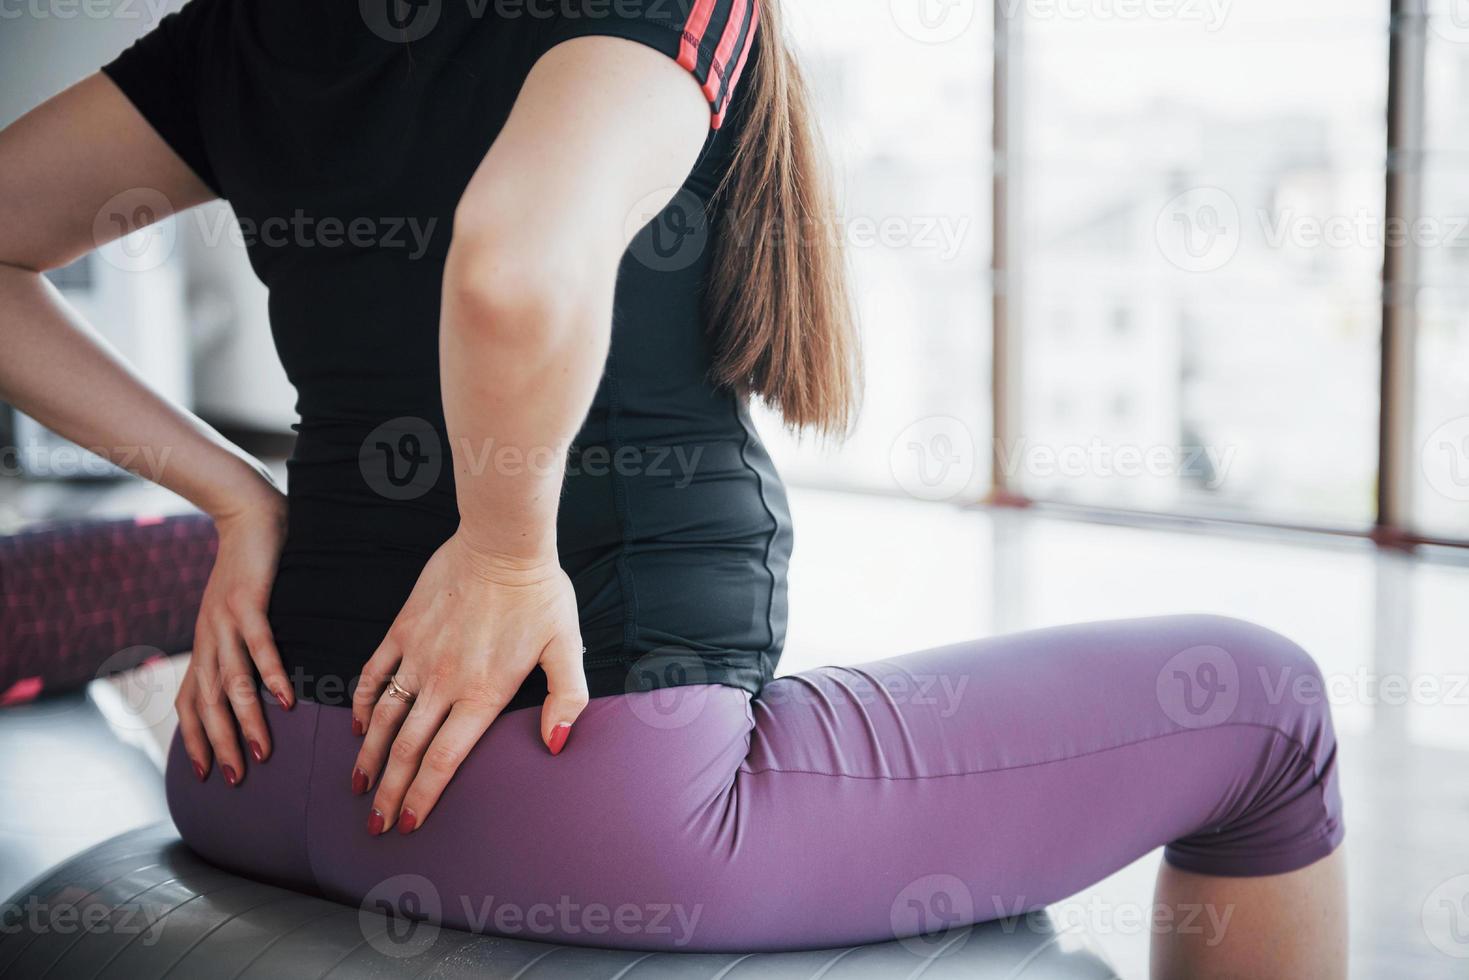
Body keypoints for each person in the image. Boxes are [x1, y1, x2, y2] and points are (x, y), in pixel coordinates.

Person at [0, 1, 1345, 974]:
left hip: (247, 766)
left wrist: (238, 498)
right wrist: (505, 552)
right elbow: (512, 261)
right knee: (1266, 704)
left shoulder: (249, 28)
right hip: (562, 806)